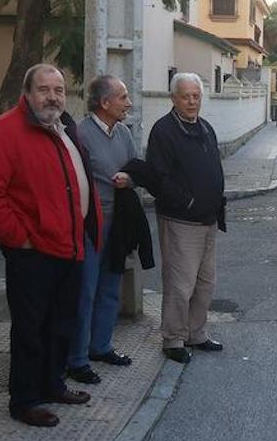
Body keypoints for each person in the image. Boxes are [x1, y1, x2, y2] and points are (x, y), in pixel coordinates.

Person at [0, 64, 101, 427]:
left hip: (70, 247)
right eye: (44, 90)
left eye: (58, 90)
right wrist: (19, 238)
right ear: (27, 93)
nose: (53, 97)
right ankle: (24, 400)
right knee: (30, 329)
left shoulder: (63, 128)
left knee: (61, 325)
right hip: (32, 253)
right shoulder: (0, 133)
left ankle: (53, 384)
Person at [146, 72, 227, 364]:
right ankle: (173, 338)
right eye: (186, 96)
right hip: (181, 221)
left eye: (196, 96)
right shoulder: (164, 131)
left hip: (208, 220)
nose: (192, 101)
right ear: (173, 98)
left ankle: (196, 333)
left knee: (205, 283)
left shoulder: (204, 127)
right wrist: (189, 202)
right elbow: (159, 178)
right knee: (180, 285)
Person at [66, 75, 139, 385]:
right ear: (105, 103)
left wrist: (130, 179)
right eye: (123, 97)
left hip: (119, 222)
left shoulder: (123, 133)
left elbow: (137, 168)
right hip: (91, 224)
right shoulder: (79, 136)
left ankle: (101, 346)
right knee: (86, 291)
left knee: (111, 287)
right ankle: (77, 359)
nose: (129, 103)